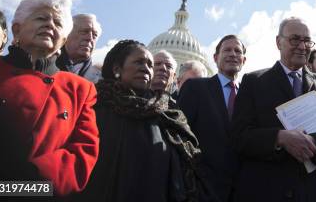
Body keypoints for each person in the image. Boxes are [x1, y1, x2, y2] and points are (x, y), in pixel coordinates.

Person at [0, 0, 99, 196]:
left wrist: (21, 189)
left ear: (63, 42)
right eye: (41, 18)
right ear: (16, 30)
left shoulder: (81, 89)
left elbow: (82, 153)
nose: (50, 25)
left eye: (58, 23)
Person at [231, 17, 316, 202]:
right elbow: (239, 137)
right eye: (295, 39)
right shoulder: (253, 82)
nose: (302, 46)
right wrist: (280, 138)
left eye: (307, 41)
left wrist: (314, 143)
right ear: (278, 42)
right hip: (270, 191)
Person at [80, 39, 204, 202]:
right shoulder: (92, 106)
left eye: (150, 65)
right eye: (139, 62)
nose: (145, 68)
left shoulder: (167, 114)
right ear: (117, 68)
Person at [178, 35, 245, 202]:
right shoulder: (195, 88)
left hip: (242, 190)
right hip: (202, 189)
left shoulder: (249, 95)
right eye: (227, 50)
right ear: (215, 58)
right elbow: (180, 135)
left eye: (237, 51)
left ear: (244, 60)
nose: (232, 54)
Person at [56, 13, 102, 83]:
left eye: (94, 35)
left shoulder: (102, 78)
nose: (90, 38)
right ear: (66, 34)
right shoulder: (44, 66)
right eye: (84, 32)